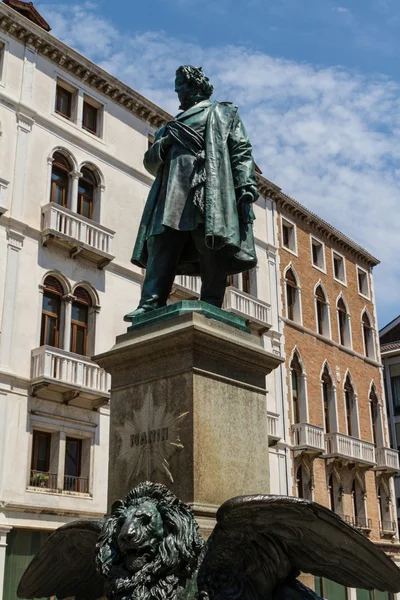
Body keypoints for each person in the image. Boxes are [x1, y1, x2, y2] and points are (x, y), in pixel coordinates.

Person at [125, 65, 258, 320]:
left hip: (209, 189)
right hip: (172, 192)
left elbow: (241, 151)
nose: (178, 92)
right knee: (161, 243)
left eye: (182, 86)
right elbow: (150, 161)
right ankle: (150, 302)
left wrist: (246, 185)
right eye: (178, 87)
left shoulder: (222, 113)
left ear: (196, 86)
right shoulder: (169, 128)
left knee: (210, 243)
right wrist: (163, 144)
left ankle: (211, 300)